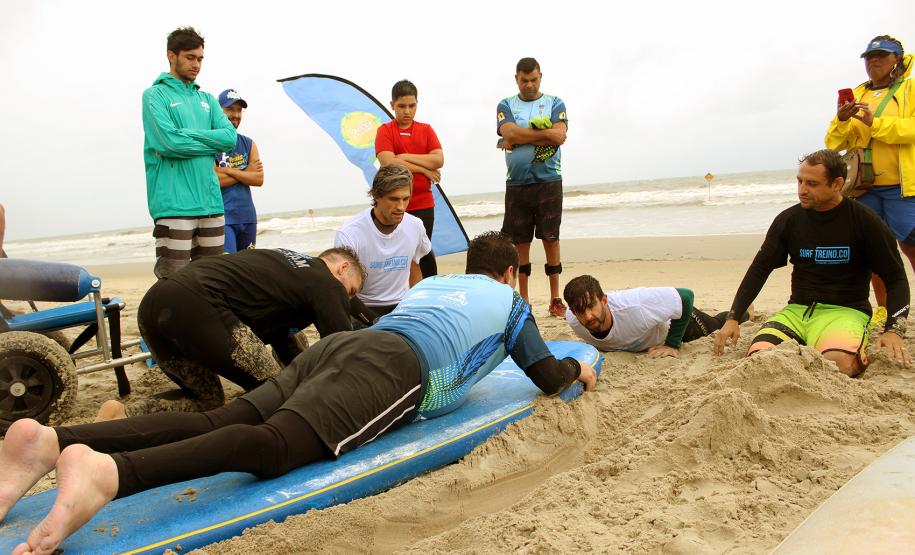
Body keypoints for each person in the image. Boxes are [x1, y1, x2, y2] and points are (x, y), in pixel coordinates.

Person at [0, 231, 597, 554]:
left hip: (339, 349)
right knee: (272, 447)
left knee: (224, 420)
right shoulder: (513, 304)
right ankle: (111, 476)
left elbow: (362, 326)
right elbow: (546, 376)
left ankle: (51, 440)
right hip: (396, 370)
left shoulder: (431, 289)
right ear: (511, 274)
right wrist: (581, 372)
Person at [714, 149, 911, 377]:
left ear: (837, 183)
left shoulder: (865, 221)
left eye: (812, 183)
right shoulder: (788, 220)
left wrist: (894, 330)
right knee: (761, 361)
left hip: (846, 312)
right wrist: (733, 318)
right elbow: (759, 269)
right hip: (797, 312)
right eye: (799, 181)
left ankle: (841, 349)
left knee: (838, 366)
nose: (802, 190)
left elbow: (896, 278)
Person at [122, 247, 364, 416]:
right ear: (342, 268)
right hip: (198, 301)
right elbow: (341, 349)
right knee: (276, 393)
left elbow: (289, 345)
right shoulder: (327, 282)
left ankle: (123, 414)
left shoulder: (287, 268)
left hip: (153, 304)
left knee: (207, 400)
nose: (346, 299)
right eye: (350, 291)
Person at [825, 35, 914, 321]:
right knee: (873, 249)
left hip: (903, 185)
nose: (873, 62)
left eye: (882, 56)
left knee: (911, 245)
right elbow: (833, 142)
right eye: (869, 58)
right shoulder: (859, 93)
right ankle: (885, 310)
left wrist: (873, 123)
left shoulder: (910, 89)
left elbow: (911, 130)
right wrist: (842, 120)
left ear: (897, 60)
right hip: (864, 186)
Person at [143, 27, 237, 279]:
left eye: (200, 59)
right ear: (171, 56)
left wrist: (186, 133)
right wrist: (209, 142)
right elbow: (168, 143)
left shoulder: (206, 98)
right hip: (174, 207)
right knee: (174, 284)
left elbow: (229, 138)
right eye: (190, 57)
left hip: (211, 205)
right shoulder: (154, 95)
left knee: (214, 283)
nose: (196, 64)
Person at [497, 57, 569, 317]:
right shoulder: (506, 104)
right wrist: (543, 133)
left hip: (549, 180)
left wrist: (519, 134)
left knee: (551, 239)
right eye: (524, 80)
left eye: (533, 79)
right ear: (516, 78)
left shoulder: (555, 103)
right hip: (517, 183)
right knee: (520, 243)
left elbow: (559, 135)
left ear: (541, 77)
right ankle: (524, 299)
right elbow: (509, 133)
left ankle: (555, 299)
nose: (529, 84)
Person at [563, 275, 750, 357]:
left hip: (681, 324)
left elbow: (686, 296)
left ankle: (745, 312)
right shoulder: (573, 320)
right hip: (648, 329)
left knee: (717, 323)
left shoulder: (635, 306)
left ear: (604, 300)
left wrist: (672, 343)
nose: (588, 316)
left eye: (591, 306)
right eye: (580, 311)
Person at [335, 165, 431, 321]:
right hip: (362, 307)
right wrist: (373, 321)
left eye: (405, 199)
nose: (400, 207)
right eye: (393, 199)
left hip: (402, 306)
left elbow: (416, 263)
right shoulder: (349, 233)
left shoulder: (415, 225)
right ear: (376, 196)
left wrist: (416, 304)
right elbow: (343, 290)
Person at [375, 79, 444, 278]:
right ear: (392, 105)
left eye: (411, 106)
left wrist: (405, 157)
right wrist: (425, 169)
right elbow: (389, 163)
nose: (407, 111)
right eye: (401, 106)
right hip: (394, 204)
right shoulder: (385, 131)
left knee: (423, 252)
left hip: (423, 202)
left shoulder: (426, 130)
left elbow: (439, 160)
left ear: (417, 104)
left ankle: (430, 292)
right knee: (398, 253)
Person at [215, 89, 264, 253]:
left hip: (248, 217)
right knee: (227, 270)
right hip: (222, 218)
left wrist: (229, 171)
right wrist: (245, 171)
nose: (235, 114)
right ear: (218, 111)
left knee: (246, 271)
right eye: (230, 109)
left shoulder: (249, 143)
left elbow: (258, 179)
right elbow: (212, 180)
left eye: (239, 110)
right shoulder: (209, 143)